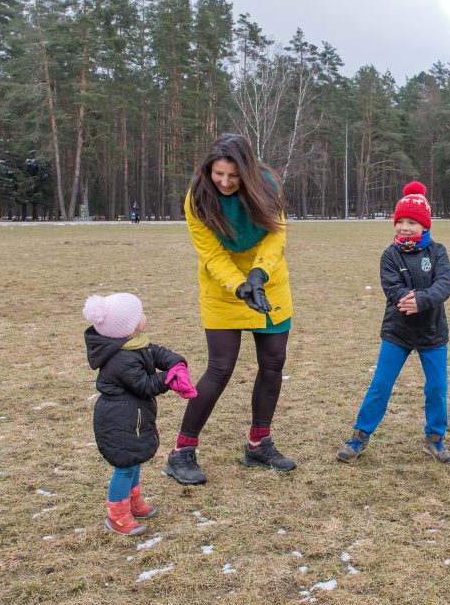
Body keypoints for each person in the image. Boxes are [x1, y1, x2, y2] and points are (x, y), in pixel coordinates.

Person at [164, 133, 295, 486]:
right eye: (218, 173)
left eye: (233, 176)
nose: (224, 181)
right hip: (223, 287)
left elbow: (275, 234)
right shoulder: (198, 198)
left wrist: (257, 274)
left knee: (273, 362)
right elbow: (212, 254)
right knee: (220, 367)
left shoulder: (267, 187)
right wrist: (239, 285)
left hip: (267, 279)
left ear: (248, 173)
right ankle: (181, 453)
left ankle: (259, 443)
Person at [336, 181, 450, 465]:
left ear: (425, 226)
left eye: (411, 222)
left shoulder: (437, 252)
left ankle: (435, 439)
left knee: (437, 387)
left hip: (432, 333)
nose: (404, 227)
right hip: (397, 332)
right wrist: (408, 299)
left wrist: (423, 300)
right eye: (400, 221)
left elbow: (447, 281)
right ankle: (359, 436)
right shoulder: (390, 255)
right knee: (380, 384)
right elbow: (392, 287)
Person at [83, 293, 197, 536]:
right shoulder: (121, 358)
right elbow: (144, 384)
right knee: (125, 466)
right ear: (129, 327)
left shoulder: (133, 344)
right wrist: (168, 378)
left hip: (132, 416)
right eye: (139, 316)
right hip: (120, 419)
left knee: (134, 461)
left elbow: (155, 352)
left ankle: (132, 502)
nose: (143, 318)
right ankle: (116, 516)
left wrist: (175, 363)